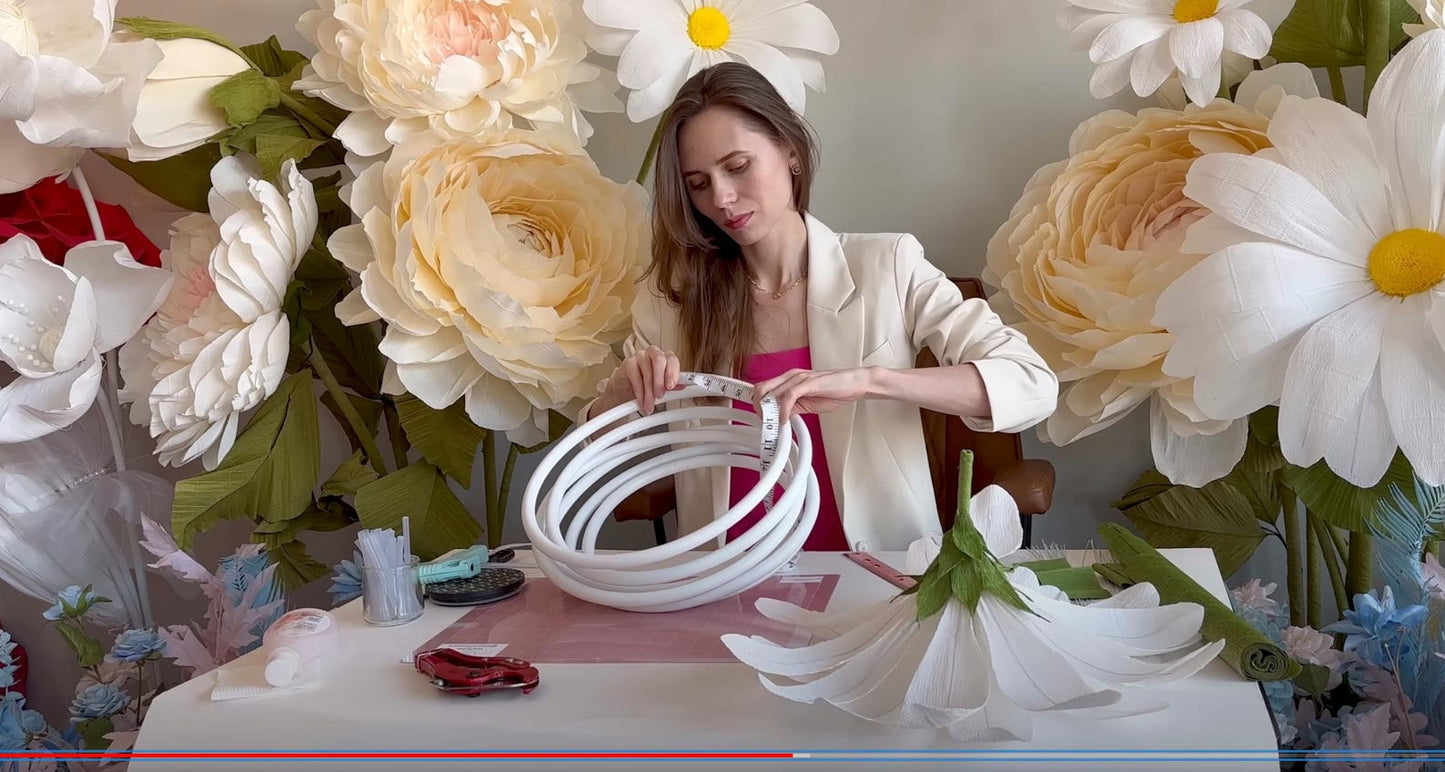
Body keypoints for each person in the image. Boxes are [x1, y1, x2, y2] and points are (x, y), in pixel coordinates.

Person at [583, 62, 1058, 552]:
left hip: (877, 581)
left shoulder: (888, 265)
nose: (722, 198)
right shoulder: (671, 303)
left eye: (738, 166)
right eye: (699, 184)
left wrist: (871, 381)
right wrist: (618, 394)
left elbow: (1031, 384)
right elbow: (598, 462)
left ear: (789, 151)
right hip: (722, 585)